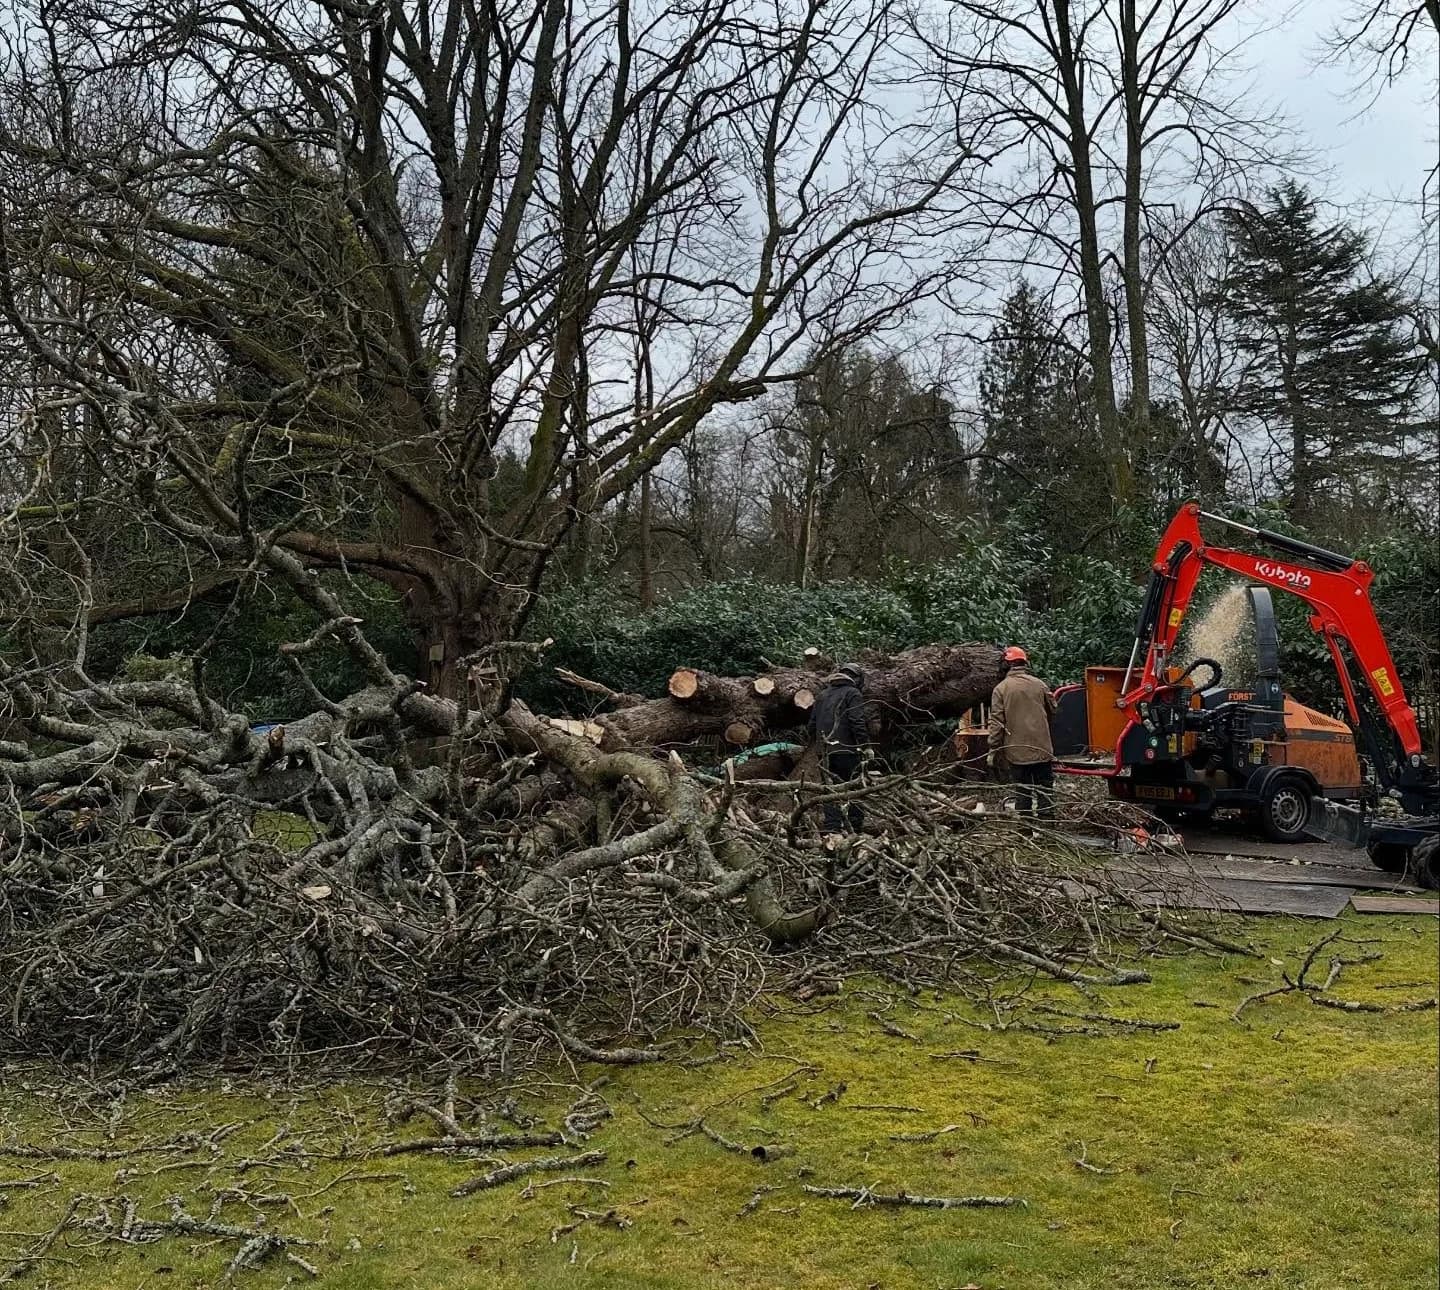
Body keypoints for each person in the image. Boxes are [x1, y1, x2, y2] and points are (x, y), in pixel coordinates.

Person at [987, 646, 1057, 819]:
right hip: (1042, 749)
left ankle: (1025, 828)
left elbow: (997, 722)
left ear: (1006, 665)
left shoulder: (1001, 689)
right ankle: (1049, 827)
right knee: (1045, 790)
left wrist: (993, 747)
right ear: (1025, 663)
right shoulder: (1039, 684)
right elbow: (1053, 709)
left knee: (1023, 790)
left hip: (1017, 751)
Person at [809, 662, 868, 833]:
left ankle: (832, 830)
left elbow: (811, 726)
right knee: (856, 788)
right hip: (848, 750)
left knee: (830, 789)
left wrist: (820, 745)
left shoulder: (822, 695)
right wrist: (865, 746)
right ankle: (855, 829)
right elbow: (857, 721)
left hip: (825, 752)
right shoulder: (853, 693)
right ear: (856, 679)